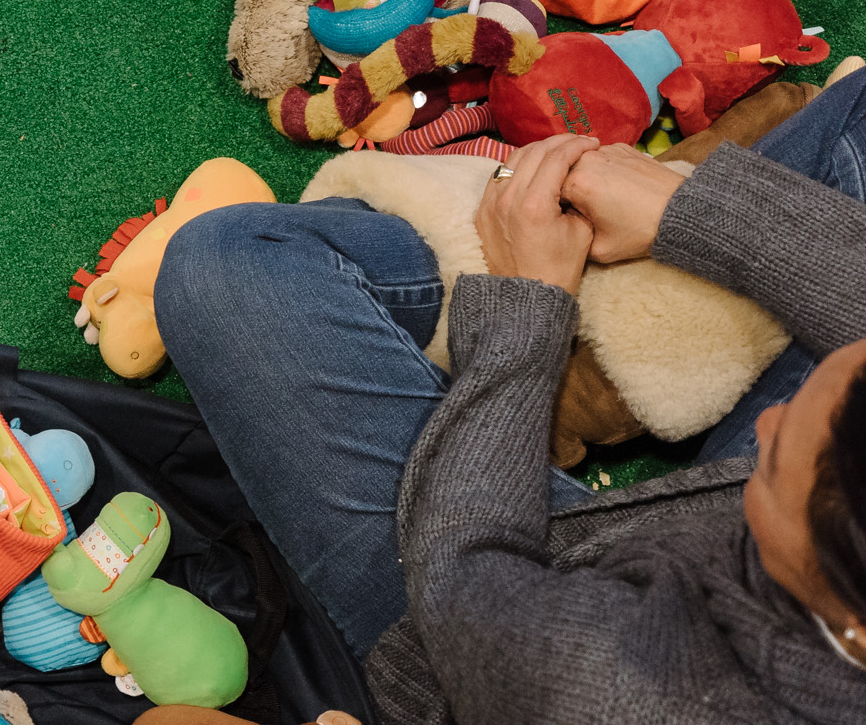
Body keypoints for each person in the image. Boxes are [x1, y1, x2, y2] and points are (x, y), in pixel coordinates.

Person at [155, 74, 866, 722]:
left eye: (781, 458)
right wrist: (686, 209)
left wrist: (524, 307)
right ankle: (612, 295)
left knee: (226, 269)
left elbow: (464, 571)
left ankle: (543, 335)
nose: (770, 424)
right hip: (663, 567)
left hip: (475, 609)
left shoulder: (614, 693)